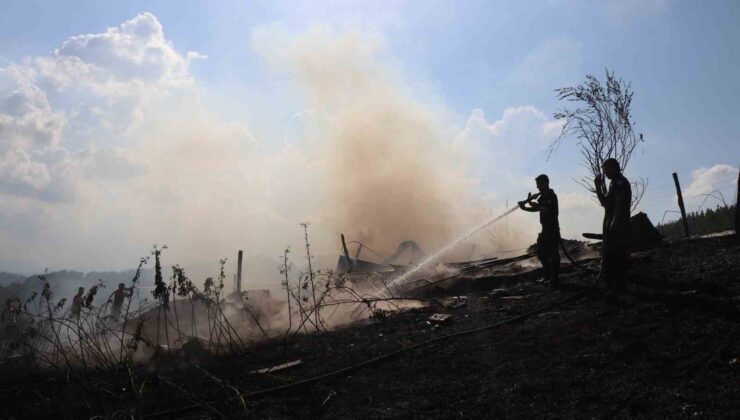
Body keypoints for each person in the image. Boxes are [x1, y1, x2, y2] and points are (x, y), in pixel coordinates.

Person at [595, 158, 632, 294]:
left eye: (606, 169)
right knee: (610, 256)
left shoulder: (620, 182)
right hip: (611, 224)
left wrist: (614, 223)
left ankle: (618, 287)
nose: (604, 173)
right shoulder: (612, 184)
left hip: (618, 226)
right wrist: (598, 187)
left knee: (615, 256)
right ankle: (615, 286)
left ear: (614, 168)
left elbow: (620, 204)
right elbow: (605, 203)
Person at [518, 174, 561, 288]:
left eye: (539, 185)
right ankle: (548, 276)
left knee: (553, 254)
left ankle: (554, 279)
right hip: (545, 228)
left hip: (552, 228)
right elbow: (537, 208)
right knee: (541, 252)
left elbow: (547, 210)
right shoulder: (542, 197)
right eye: (537, 185)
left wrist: (536, 205)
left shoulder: (551, 196)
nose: (537, 187)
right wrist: (525, 207)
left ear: (545, 183)